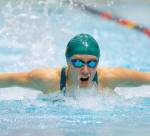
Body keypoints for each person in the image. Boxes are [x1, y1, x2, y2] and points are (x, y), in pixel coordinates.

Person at [0, 33, 150, 95]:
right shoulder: (48, 80)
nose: (85, 70)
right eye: (78, 62)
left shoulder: (109, 78)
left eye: (92, 63)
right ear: (67, 61)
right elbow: (11, 79)